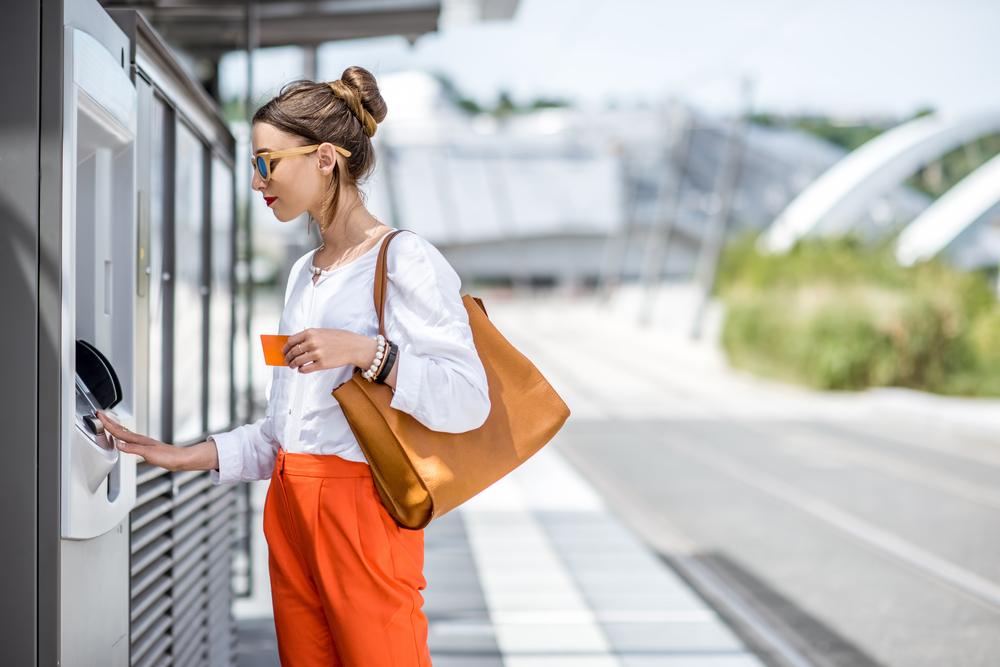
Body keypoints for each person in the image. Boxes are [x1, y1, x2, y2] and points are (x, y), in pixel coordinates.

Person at [96, 66, 491, 666]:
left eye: (267, 163)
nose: (258, 182)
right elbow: (283, 435)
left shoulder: (404, 259)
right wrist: (180, 454)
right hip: (287, 504)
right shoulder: (301, 275)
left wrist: (369, 353)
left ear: (325, 158)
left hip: (361, 513)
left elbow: (469, 399)